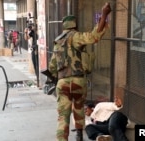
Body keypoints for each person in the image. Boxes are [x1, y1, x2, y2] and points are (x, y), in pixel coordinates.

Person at [47, 2, 111, 141]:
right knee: (78, 108)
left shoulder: (57, 42)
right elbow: (95, 36)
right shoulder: (76, 36)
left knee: (63, 116)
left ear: (64, 26)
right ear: (74, 25)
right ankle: (79, 135)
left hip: (62, 82)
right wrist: (104, 14)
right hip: (78, 81)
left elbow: (52, 67)